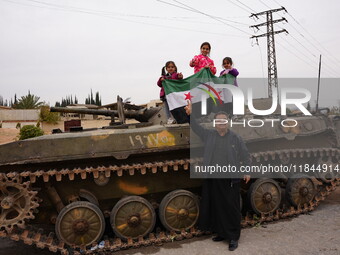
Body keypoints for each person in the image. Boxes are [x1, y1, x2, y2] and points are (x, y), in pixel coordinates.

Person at [184, 100, 251, 251]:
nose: (221, 123)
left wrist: (246, 170)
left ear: (227, 123)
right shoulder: (209, 135)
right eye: (218, 120)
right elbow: (195, 127)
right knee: (218, 206)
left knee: (231, 207)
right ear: (215, 123)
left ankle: (233, 237)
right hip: (214, 178)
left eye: (224, 120)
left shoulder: (235, 138)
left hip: (230, 180)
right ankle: (222, 232)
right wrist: (190, 115)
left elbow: (245, 156)